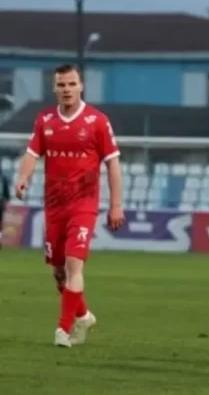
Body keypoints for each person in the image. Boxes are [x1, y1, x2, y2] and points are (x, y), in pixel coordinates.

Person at [14, 64, 125, 347]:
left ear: (81, 86)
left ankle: (63, 330)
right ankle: (84, 316)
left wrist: (116, 205)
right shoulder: (45, 120)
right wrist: (23, 177)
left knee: (75, 263)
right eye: (61, 85)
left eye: (71, 84)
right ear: (54, 88)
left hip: (84, 203)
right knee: (59, 273)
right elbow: (32, 153)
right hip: (54, 206)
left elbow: (113, 163)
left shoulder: (97, 121)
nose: (66, 89)